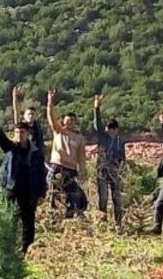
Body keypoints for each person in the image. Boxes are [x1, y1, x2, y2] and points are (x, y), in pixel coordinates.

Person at [0, 112, 47, 253]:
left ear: (28, 133)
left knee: (28, 222)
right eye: (17, 132)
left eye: (22, 132)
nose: (19, 134)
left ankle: (28, 249)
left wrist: (41, 192)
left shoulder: (36, 152)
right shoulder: (11, 147)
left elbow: (40, 173)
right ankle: (9, 248)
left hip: (29, 190)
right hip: (12, 188)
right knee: (10, 219)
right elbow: (1, 140)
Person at [46, 88, 89, 216]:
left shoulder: (79, 137)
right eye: (67, 120)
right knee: (54, 192)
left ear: (76, 122)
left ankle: (69, 217)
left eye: (72, 120)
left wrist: (83, 170)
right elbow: (51, 119)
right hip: (57, 166)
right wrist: (50, 102)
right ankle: (52, 216)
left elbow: (81, 157)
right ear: (63, 121)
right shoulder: (59, 131)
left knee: (72, 194)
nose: (69, 122)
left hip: (71, 169)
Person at [92, 94, 126, 227]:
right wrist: (96, 108)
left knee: (117, 198)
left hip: (116, 171)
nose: (111, 130)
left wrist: (123, 171)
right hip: (102, 170)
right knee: (104, 198)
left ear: (117, 130)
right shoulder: (102, 137)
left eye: (113, 128)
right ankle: (103, 223)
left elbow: (123, 157)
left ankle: (118, 224)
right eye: (109, 128)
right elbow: (97, 124)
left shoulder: (120, 141)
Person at [11, 85, 46, 152]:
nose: (31, 116)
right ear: (24, 116)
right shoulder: (21, 125)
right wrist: (15, 97)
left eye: (32, 114)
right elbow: (16, 112)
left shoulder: (37, 127)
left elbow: (41, 143)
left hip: (36, 156)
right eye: (29, 114)